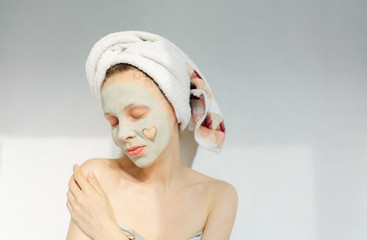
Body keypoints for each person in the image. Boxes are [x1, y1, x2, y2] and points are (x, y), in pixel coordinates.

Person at [66, 31, 237, 240]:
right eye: (114, 121)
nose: (123, 134)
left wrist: (106, 231)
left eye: (137, 115)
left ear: (176, 108)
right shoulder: (96, 178)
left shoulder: (217, 197)